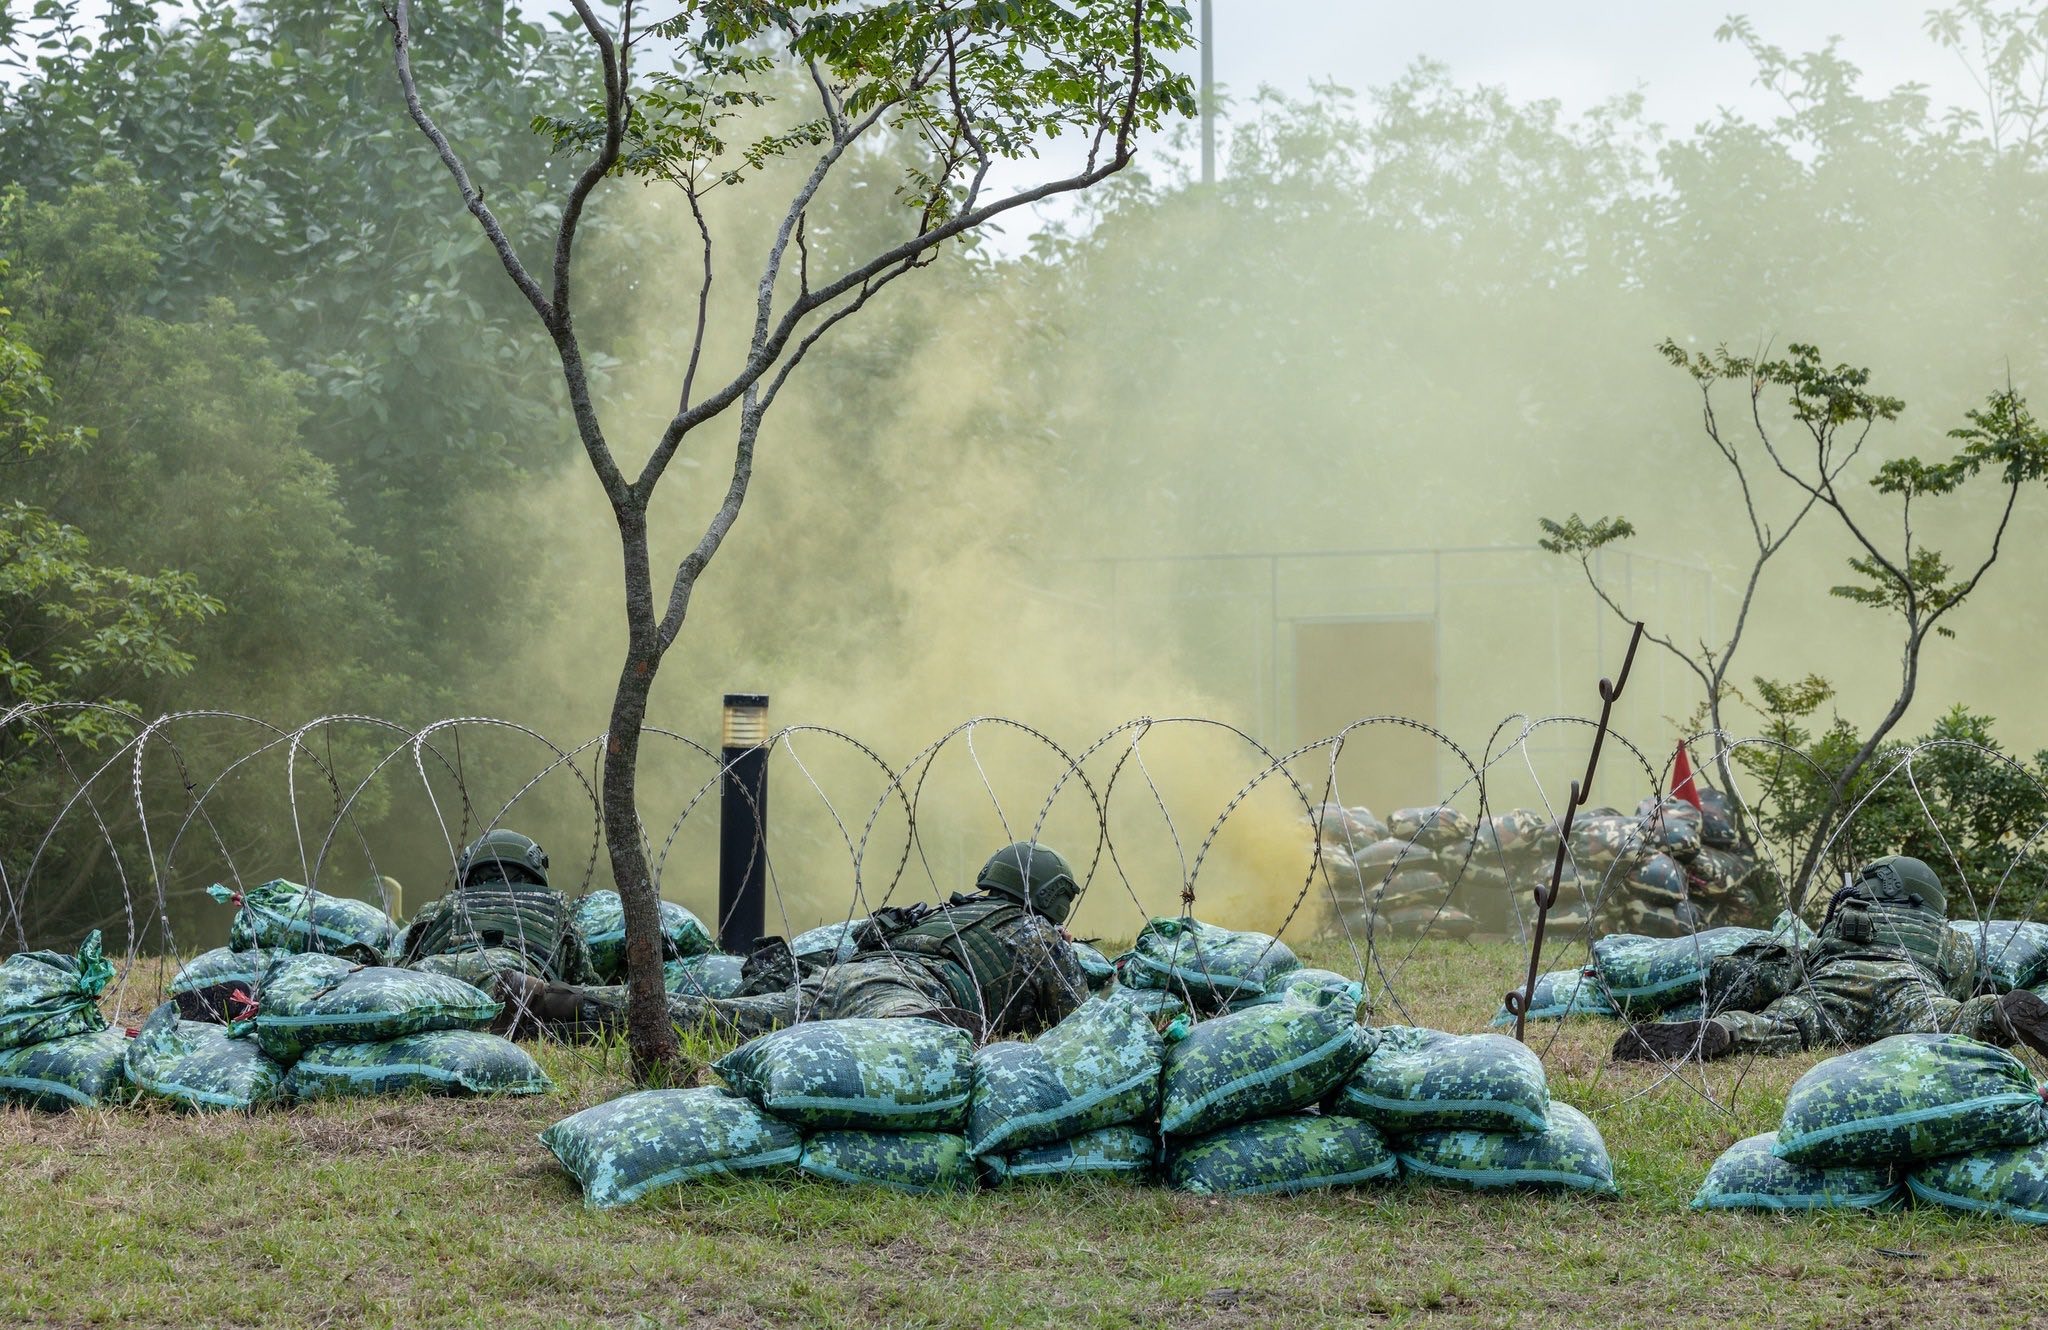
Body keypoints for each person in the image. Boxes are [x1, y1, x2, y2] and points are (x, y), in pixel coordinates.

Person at [494, 840, 1091, 1041]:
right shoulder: (1036, 934)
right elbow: (1076, 1021)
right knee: (919, 1046)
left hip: (841, 978)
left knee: (717, 1017)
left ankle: (553, 1000)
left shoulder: (941, 912)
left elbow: (866, 938)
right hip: (907, 993)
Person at [1613, 854, 2048, 1062]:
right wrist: (1980, 1003)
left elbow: (1794, 971)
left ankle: (1725, 1032)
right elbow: (1956, 984)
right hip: (1909, 990)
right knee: (1954, 1022)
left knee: (1786, 1024)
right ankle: (2003, 1015)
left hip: (1832, 987)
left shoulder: (1843, 923)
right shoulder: (1949, 938)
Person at [402, 828, 587, 984]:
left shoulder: (435, 910)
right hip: (519, 984)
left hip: (439, 980)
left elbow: (401, 967)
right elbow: (582, 978)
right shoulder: (556, 911)